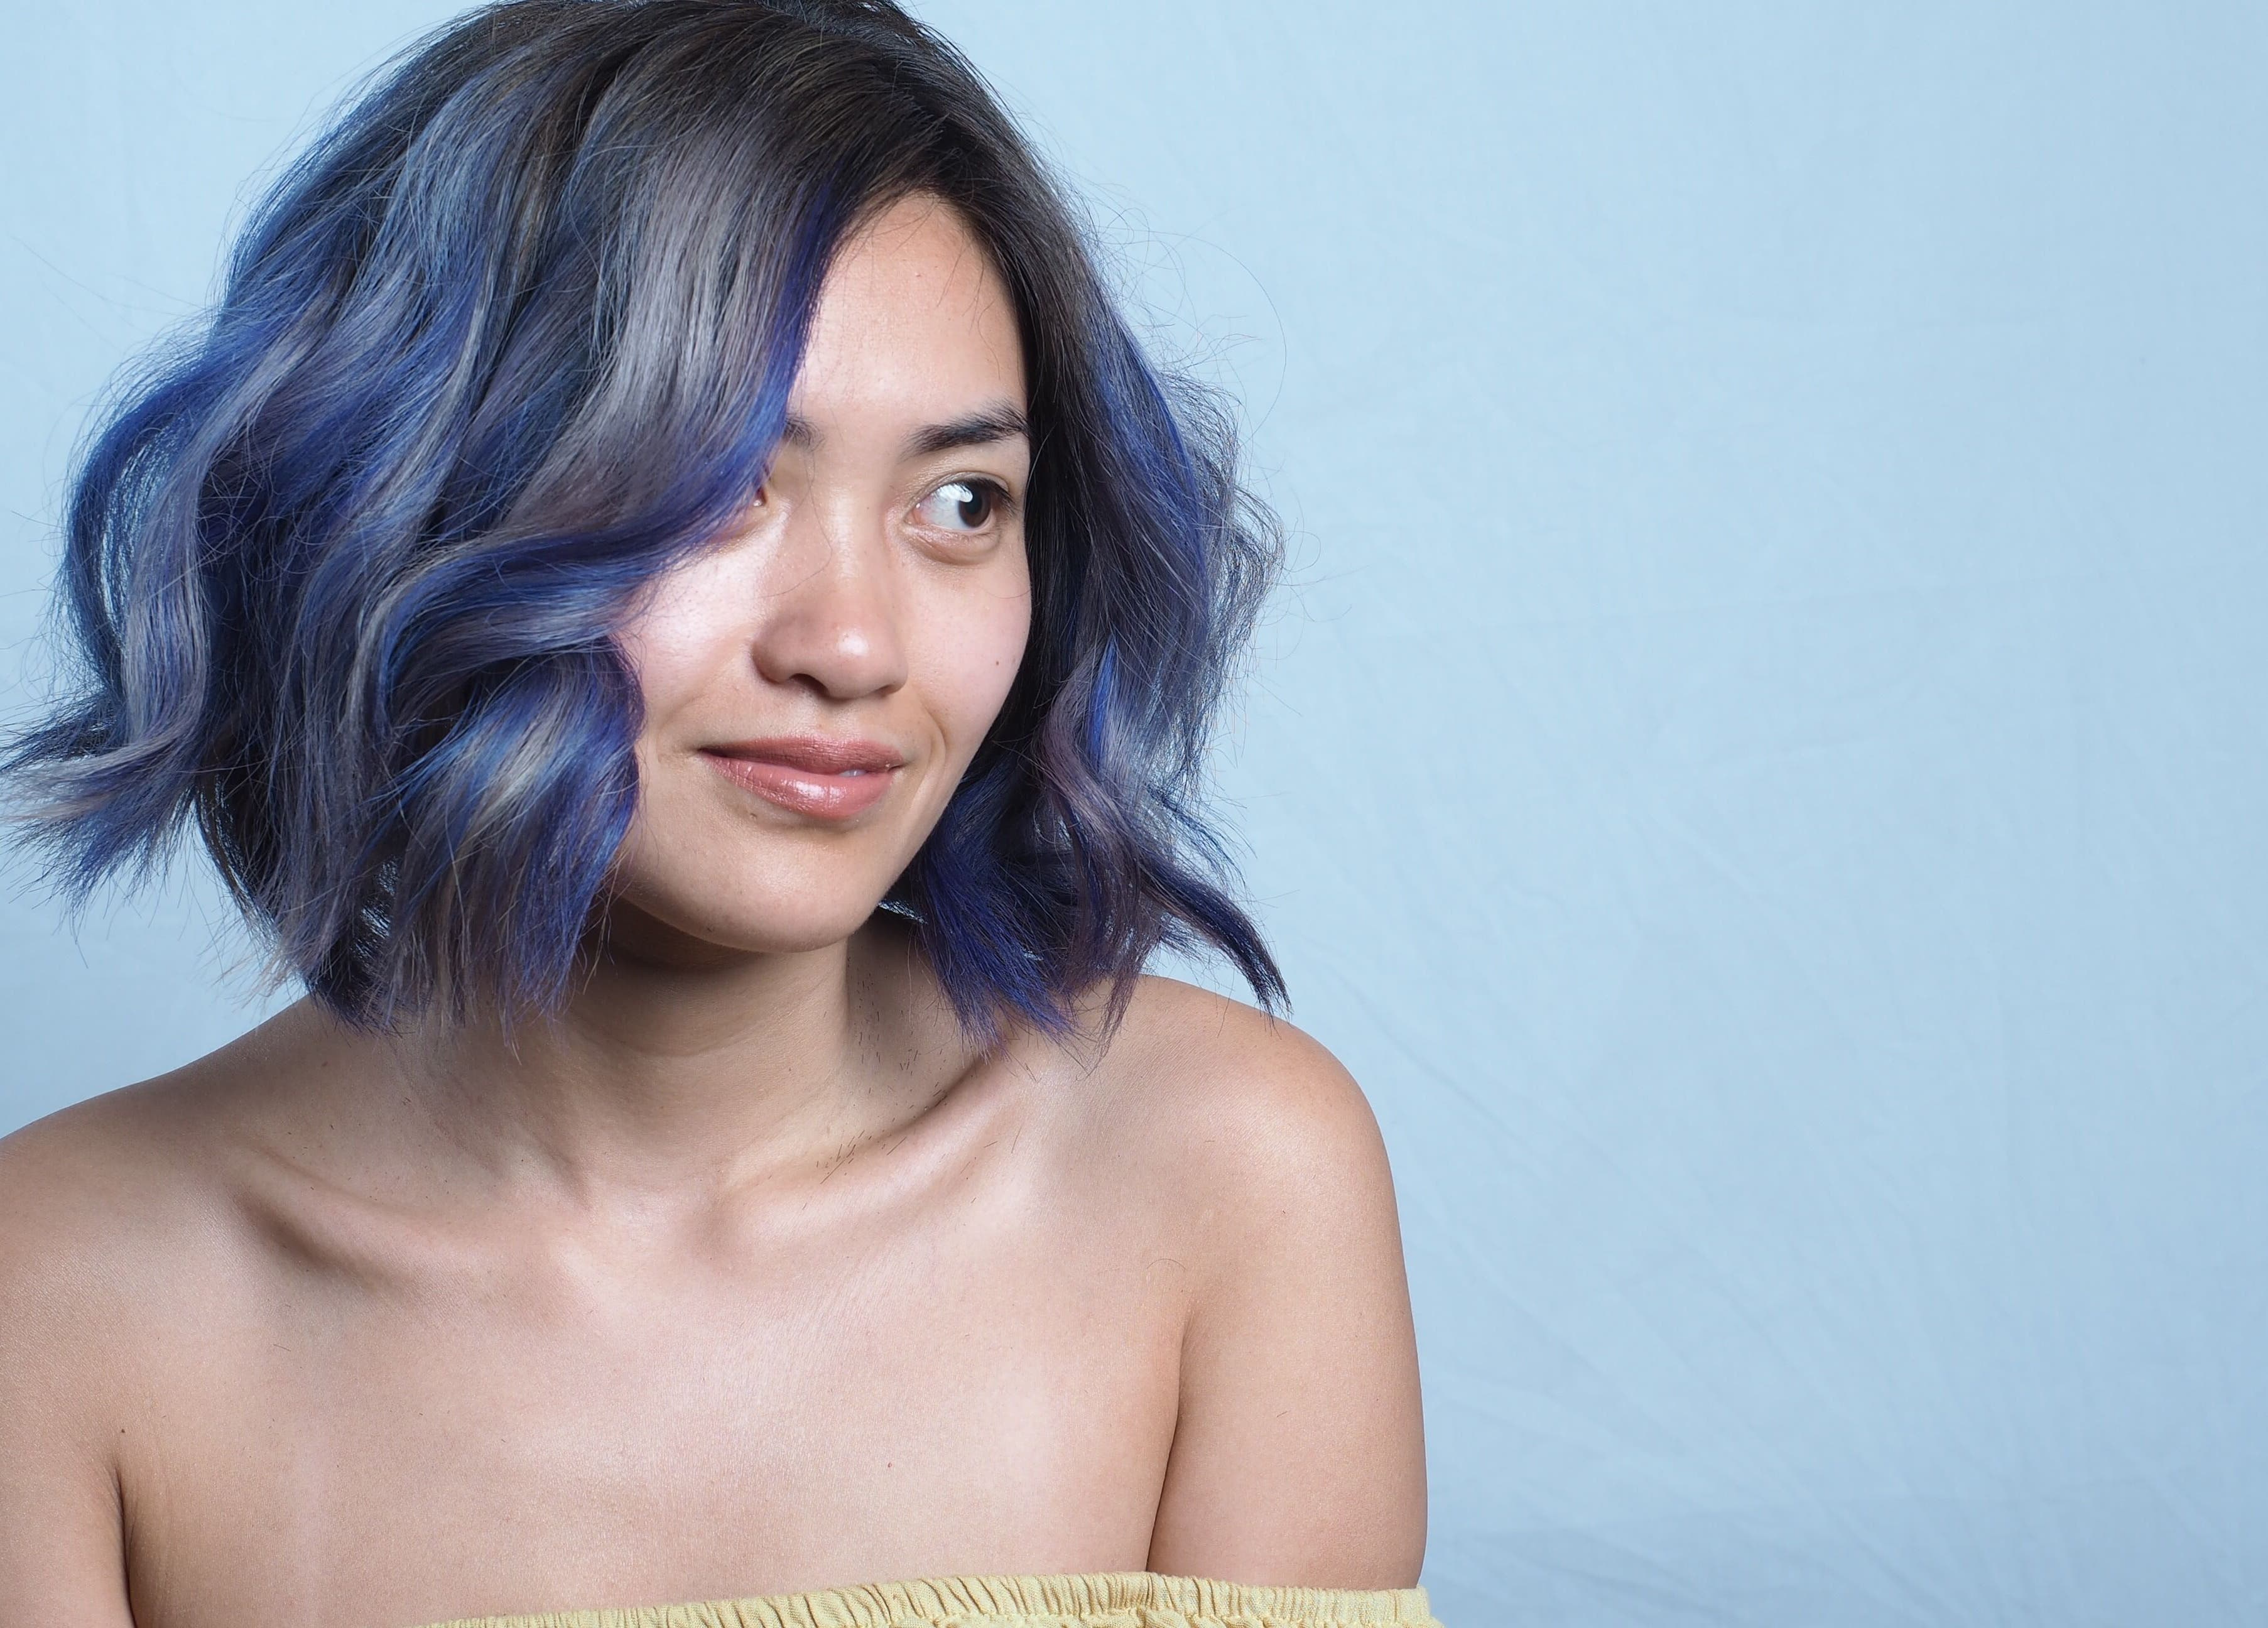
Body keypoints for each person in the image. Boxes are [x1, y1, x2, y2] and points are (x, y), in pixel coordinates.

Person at [0, 3, 1433, 1625]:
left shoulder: (1217, 1173)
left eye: (960, 504)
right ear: (400, 498)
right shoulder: (55, 1303)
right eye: (719, 483)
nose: (852, 644)